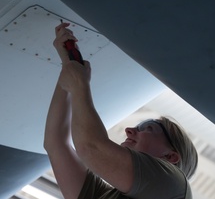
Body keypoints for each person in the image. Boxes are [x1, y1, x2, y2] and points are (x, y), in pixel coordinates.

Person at [44, 23, 198, 199]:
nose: (130, 130)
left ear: (170, 157)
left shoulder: (174, 185)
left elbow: (90, 146)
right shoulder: (108, 195)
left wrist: (79, 84)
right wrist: (69, 66)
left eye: (148, 128)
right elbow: (56, 143)